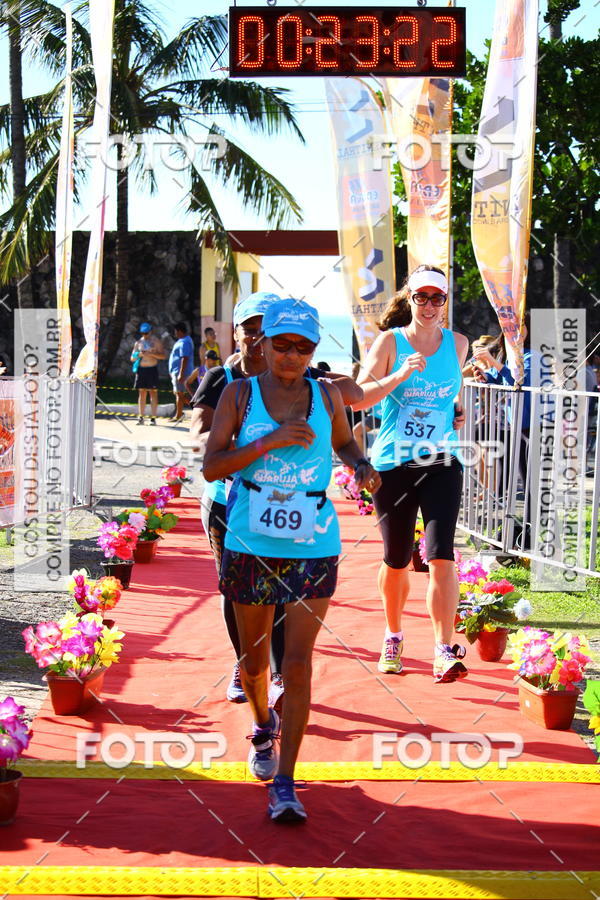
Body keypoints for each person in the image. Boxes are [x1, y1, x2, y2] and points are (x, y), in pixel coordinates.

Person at [203, 297, 380, 823]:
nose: (292, 357)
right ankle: (262, 727)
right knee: (255, 663)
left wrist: (362, 465)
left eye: (304, 348)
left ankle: (286, 782)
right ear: (262, 343)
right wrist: (271, 441)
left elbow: (346, 445)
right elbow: (213, 466)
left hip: (315, 541)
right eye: (283, 345)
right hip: (250, 541)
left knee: (298, 666)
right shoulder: (239, 394)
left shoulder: (326, 397)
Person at [191, 292, 364, 708]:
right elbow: (203, 446)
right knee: (240, 596)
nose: (255, 338)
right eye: (250, 330)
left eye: (301, 345)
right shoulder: (225, 381)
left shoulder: (313, 381)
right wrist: (258, 447)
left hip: (302, 514)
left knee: (288, 596)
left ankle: (283, 674)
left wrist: (324, 382)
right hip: (229, 504)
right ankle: (247, 665)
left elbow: (353, 397)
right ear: (245, 335)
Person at [352, 265, 469, 684]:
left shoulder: (458, 343)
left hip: (441, 463)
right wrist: (399, 375)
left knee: (441, 555)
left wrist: (455, 411)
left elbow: (448, 396)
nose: (430, 305)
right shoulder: (389, 342)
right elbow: (358, 400)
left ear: (445, 301)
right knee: (397, 559)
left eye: (438, 298)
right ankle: (394, 634)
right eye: (422, 297)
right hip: (393, 466)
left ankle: (442, 649)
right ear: (410, 298)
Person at [131, 323, 166, 425]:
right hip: (141, 370)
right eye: (143, 333)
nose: (145, 335)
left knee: (153, 393)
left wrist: (152, 354)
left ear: (151, 331)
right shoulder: (138, 343)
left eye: (146, 332)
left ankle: (153, 418)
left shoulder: (156, 342)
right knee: (142, 393)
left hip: (152, 369)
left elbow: (163, 356)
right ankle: (141, 417)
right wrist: (139, 354)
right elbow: (132, 358)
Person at [168, 322, 194, 424]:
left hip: (181, 372)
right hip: (177, 371)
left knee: (179, 394)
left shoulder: (185, 342)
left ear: (179, 331)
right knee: (179, 394)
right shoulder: (183, 340)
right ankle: (179, 414)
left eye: (175, 331)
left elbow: (185, 357)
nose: (174, 333)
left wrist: (181, 374)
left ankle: (194, 408)